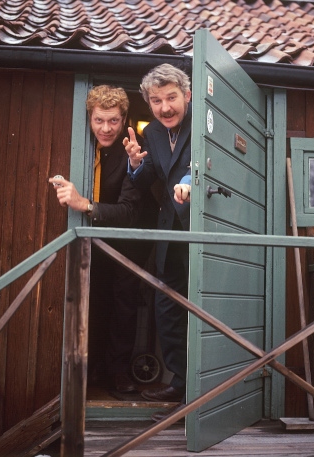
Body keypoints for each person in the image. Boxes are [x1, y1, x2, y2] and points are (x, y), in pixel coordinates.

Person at [49, 85, 158, 394]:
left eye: (113, 121)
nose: (106, 128)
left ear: (124, 120)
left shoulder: (131, 152)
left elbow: (128, 213)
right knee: (95, 300)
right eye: (99, 120)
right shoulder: (86, 144)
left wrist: (84, 204)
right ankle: (95, 368)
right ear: (90, 118)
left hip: (128, 239)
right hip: (93, 239)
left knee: (123, 303)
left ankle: (119, 374)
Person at [123, 63, 192, 421]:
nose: (165, 107)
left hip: (203, 228)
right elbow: (149, 173)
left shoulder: (206, 120)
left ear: (188, 96)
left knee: (207, 304)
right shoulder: (150, 132)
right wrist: (135, 164)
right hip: (170, 231)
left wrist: (191, 180)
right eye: (156, 100)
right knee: (167, 306)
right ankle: (180, 382)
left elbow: (209, 161)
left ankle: (208, 386)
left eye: (172, 98)